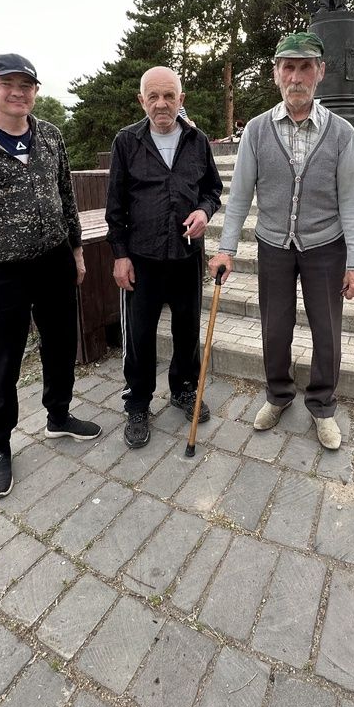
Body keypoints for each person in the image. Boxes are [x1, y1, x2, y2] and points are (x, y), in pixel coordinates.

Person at [0, 53, 101, 501]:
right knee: (1, 359)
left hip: (54, 262)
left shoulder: (50, 136)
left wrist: (77, 251)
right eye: (8, 83)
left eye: (26, 85)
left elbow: (66, 196)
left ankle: (59, 416)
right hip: (2, 271)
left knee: (62, 343)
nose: (18, 92)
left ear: (35, 91)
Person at [209, 31, 354, 450]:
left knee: (326, 330)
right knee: (274, 327)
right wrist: (226, 248)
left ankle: (322, 405)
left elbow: (352, 202)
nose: (296, 77)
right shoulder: (258, 131)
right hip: (274, 245)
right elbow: (240, 194)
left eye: (304, 67)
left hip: (326, 246)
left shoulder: (341, 133)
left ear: (319, 72)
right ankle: (278, 395)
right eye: (288, 67)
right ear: (276, 74)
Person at [105, 66, 222, 449]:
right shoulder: (126, 142)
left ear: (180, 100)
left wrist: (204, 212)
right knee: (139, 336)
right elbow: (116, 206)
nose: (161, 103)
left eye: (169, 96)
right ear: (142, 101)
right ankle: (138, 403)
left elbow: (212, 189)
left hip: (187, 256)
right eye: (153, 96)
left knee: (187, 330)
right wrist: (120, 255)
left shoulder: (197, 140)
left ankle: (184, 389)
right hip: (142, 259)